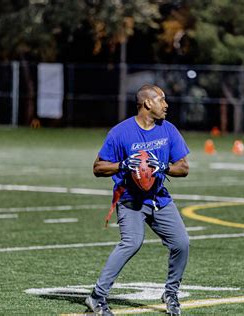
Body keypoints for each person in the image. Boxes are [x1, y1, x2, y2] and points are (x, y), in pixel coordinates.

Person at [86, 84, 190, 315]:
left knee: (181, 243)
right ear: (147, 103)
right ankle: (97, 297)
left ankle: (171, 293)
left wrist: (164, 167)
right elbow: (97, 167)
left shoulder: (168, 129)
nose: (166, 104)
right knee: (131, 242)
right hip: (130, 199)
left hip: (159, 198)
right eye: (161, 100)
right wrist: (122, 165)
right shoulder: (120, 133)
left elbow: (183, 168)